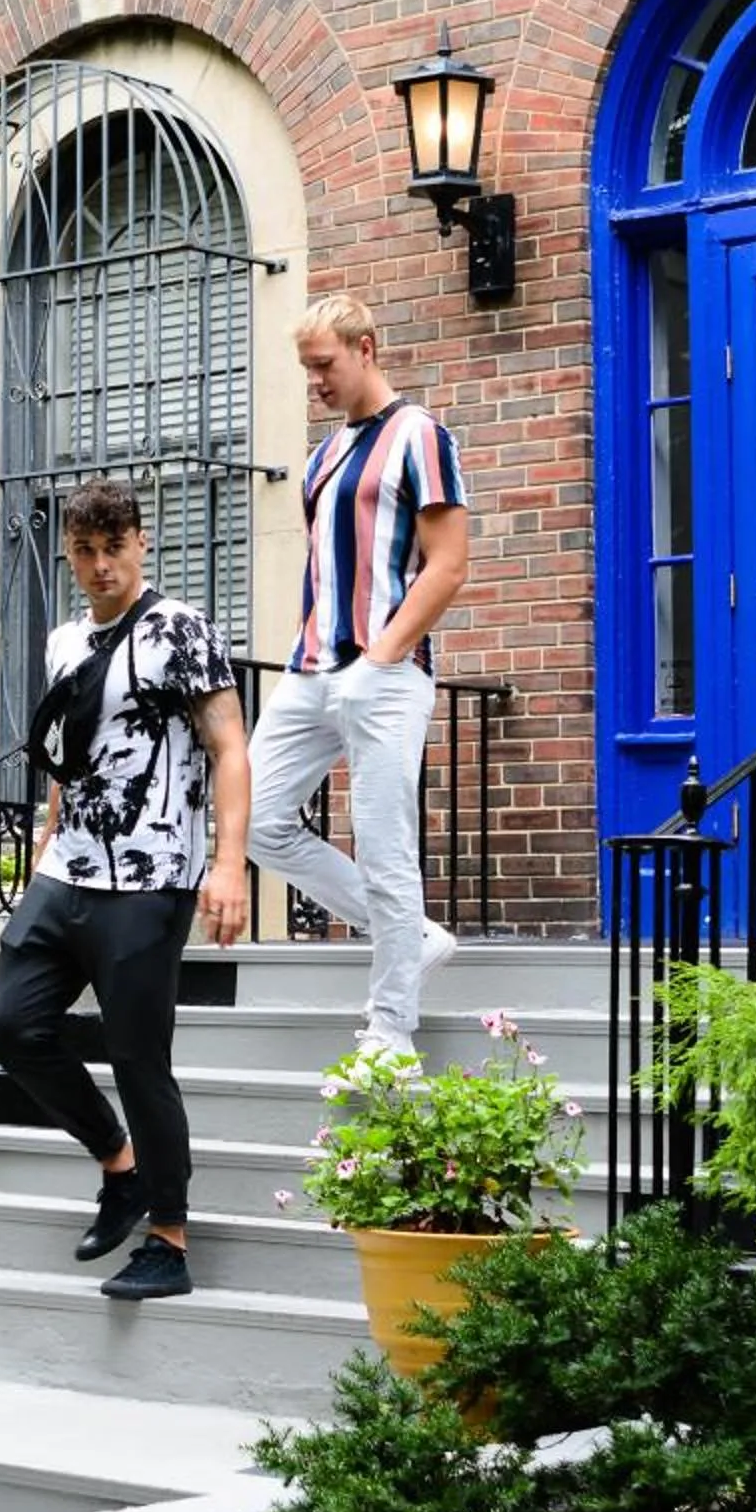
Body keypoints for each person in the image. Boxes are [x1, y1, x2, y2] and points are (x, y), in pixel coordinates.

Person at [0, 479, 250, 1302]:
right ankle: (118, 1164)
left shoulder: (181, 631)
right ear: (70, 556)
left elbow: (229, 747)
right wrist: (46, 834)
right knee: (12, 1027)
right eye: (85, 552)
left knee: (138, 1057)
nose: (101, 566)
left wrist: (229, 864)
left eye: (114, 548)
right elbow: (72, 750)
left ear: (141, 544)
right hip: (67, 870)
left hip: (151, 877)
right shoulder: (66, 642)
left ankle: (168, 1238)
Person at [249, 293, 471, 1061]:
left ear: (365, 348)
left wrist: (381, 656)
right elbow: (326, 569)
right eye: (306, 369)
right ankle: (411, 937)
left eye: (324, 365)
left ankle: (390, 1029)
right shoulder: (323, 457)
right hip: (311, 670)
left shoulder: (421, 437)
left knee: (384, 846)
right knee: (255, 820)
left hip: (386, 673)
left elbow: (448, 565)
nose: (315, 382)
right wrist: (311, 648)